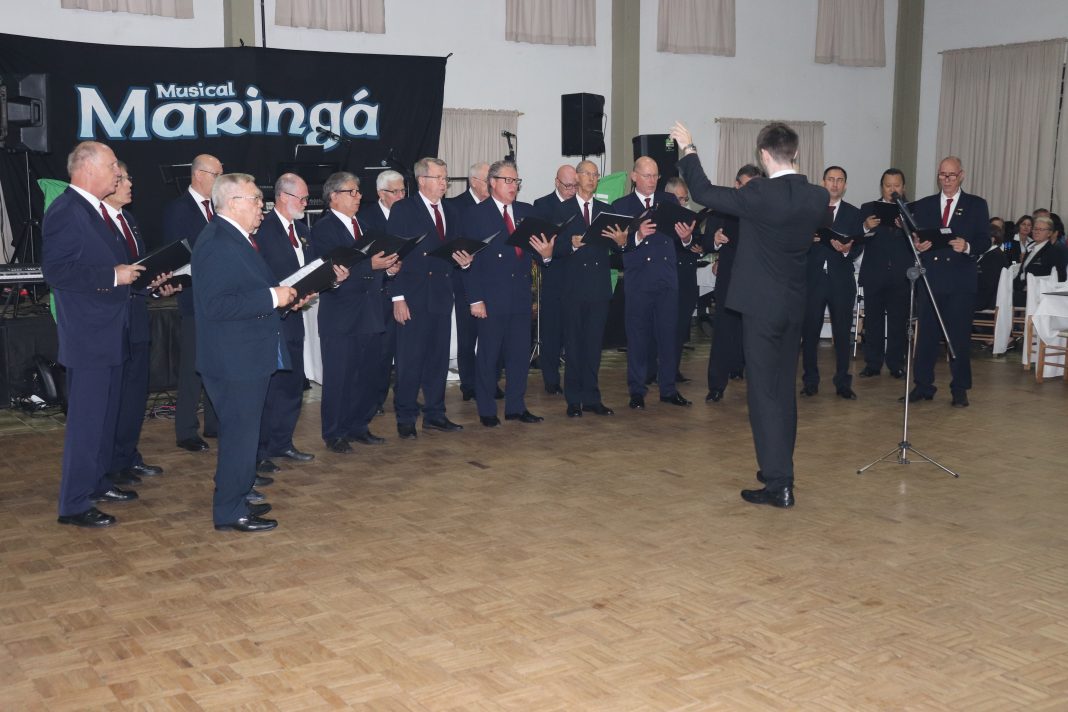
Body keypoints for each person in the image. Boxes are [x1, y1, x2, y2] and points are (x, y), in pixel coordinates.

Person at [672, 120, 829, 509]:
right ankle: (779, 465)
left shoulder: (759, 193)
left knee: (764, 394)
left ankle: (779, 483)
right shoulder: (817, 196)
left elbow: (704, 192)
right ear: (795, 152)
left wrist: (688, 149)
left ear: (763, 155)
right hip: (794, 305)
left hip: (761, 307)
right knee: (783, 390)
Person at [192, 173, 312, 532]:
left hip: (246, 355)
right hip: (233, 360)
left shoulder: (236, 238)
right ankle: (229, 511)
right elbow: (216, 305)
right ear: (233, 203)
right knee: (239, 437)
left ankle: (238, 498)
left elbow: (247, 292)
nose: (262, 205)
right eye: (256, 199)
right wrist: (273, 296)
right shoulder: (217, 241)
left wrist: (285, 300)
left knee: (244, 435)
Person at [43, 141, 144, 527]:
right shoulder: (67, 210)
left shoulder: (96, 210)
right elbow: (56, 271)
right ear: (86, 168)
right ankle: (73, 504)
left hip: (110, 331)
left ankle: (98, 482)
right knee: (86, 423)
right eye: (112, 166)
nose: (118, 173)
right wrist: (112, 276)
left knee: (104, 418)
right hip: (89, 337)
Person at [255, 173, 346, 474]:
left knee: (293, 384)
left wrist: (332, 279)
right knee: (270, 387)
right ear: (282, 196)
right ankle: (261, 450)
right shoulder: (263, 229)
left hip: (295, 316)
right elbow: (261, 274)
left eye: (307, 198)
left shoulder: (303, 230)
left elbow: (312, 270)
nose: (306, 204)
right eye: (302, 198)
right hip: (270, 317)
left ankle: (283, 442)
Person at [462, 160, 555, 426]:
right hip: (491, 297)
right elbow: (468, 262)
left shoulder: (526, 212)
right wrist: (475, 299)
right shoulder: (475, 214)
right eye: (508, 181)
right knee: (489, 356)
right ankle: (487, 410)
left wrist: (546, 255)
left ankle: (516, 406)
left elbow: (538, 252)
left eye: (516, 181)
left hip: (520, 295)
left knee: (518, 355)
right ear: (492, 182)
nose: (514, 186)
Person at [311, 172, 399, 451]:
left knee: (367, 374)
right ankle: (334, 432)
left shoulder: (365, 225)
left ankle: (359, 425)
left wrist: (389, 270)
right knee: (340, 377)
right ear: (334, 196)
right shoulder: (324, 229)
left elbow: (374, 267)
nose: (359, 196)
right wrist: (371, 266)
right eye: (352, 192)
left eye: (359, 191)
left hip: (370, 311)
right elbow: (331, 269)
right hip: (341, 314)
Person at [102, 162, 174, 488]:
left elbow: (138, 272)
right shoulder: (98, 223)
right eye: (124, 179)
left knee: (134, 395)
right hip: (112, 323)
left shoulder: (129, 220)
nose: (131, 184)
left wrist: (156, 286)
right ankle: (109, 465)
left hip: (137, 319)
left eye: (130, 178)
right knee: (113, 399)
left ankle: (127, 456)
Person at [387, 157, 470, 438]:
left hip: (441, 294)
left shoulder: (452, 210)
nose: (444, 183)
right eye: (439, 178)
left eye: (446, 178)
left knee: (438, 359)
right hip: (413, 295)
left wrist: (464, 261)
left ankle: (435, 413)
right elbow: (394, 254)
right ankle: (406, 416)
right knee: (410, 360)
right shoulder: (404, 209)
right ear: (422, 180)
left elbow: (454, 251)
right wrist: (397, 297)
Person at [611, 157, 695, 410]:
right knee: (637, 339)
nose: (652, 181)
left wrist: (686, 238)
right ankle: (637, 390)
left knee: (669, 337)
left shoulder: (668, 201)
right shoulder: (621, 206)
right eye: (647, 176)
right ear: (634, 176)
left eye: (655, 176)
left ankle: (668, 389)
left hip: (666, 279)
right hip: (639, 281)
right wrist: (637, 235)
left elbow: (682, 240)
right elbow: (617, 249)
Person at [908, 156, 989, 408]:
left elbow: (985, 240)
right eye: (942, 174)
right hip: (931, 278)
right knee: (926, 336)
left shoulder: (976, 204)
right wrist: (918, 245)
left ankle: (960, 388)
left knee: (959, 337)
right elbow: (917, 238)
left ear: (961, 175)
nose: (947, 180)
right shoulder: (925, 204)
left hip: (960, 281)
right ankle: (923, 385)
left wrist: (968, 246)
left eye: (952, 175)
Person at [163, 154, 222, 452]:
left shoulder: (219, 207)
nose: (220, 180)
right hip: (194, 298)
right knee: (192, 367)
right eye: (216, 175)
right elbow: (177, 253)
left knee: (216, 363)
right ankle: (186, 429)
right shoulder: (179, 209)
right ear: (199, 174)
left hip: (220, 298)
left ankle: (214, 422)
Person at [556, 159, 623, 417]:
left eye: (596, 175)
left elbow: (617, 247)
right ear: (577, 177)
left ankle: (592, 397)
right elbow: (552, 249)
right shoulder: (563, 210)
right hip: (572, 288)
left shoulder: (607, 210)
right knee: (573, 345)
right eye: (587, 174)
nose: (592, 179)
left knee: (594, 346)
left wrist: (621, 241)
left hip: (598, 288)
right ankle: (573, 399)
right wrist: (570, 245)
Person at [800, 166, 863, 399]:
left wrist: (847, 250)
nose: (835, 184)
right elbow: (794, 243)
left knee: (842, 333)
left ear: (845, 185)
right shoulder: (809, 210)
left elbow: (859, 245)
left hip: (841, 281)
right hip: (813, 279)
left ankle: (843, 382)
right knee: (810, 333)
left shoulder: (854, 213)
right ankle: (810, 381)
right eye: (830, 179)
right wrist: (808, 240)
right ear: (823, 182)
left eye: (839, 180)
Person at [704, 164, 762, 403]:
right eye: (746, 186)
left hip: (758, 282)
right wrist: (715, 240)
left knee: (756, 337)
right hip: (729, 280)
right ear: (736, 185)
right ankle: (716, 386)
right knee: (723, 333)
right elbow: (706, 242)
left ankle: (755, 385)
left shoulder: (766, 210)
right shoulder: (724, 208)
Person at [359, 169, 406, 413]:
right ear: (380, 193)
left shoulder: (410, 213)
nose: (400, 196)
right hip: (379, 292)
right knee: (382, 351)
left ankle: (405, 395)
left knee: (406, 349)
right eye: (394, 191)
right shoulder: (366, 219)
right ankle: (376, 399)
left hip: (408, 288)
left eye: (403, 191)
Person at [857, 169, 913, 379]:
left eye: (896, 185)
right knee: (873, 321)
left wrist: (906, 227)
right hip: (874, 273)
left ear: (903, 188)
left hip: (901, 275)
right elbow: (857, 238)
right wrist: (865, 226)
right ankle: (873, 363)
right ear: (882, 187)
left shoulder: (911, 210)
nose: (892, 189)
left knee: (898, 322)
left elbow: (918, 240)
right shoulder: (868, 208)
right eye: (888, 186)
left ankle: (896, 364)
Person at [531, 164, 579, 395]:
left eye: (575, 185)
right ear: (556, 182)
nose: (572, 190)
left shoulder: (580, 204)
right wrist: (569, 246)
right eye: (568, 185)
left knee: (575, 333)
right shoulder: (542, 206)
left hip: (577, 276)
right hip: (554, 275)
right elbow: (541, 246)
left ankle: (575, 377)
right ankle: (551, 380)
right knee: (551, 332)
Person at [445, 161, 490, 400]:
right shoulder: (455, 206)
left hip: (492, 279)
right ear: (474, 181)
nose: (492, 185)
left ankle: (489, 381)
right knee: (467, 336)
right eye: (488, 180)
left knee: (491, 335)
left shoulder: (497, 205)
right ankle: (469, 384)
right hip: (464, 278)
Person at [662, 176, 703, 384]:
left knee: (680, 328)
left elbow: (699, 243)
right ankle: (658, 370)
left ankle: (673, 369)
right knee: (663, 328)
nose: (683, 202)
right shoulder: (660, 216)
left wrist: (695, 243)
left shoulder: (690, 217)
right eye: (679, 198)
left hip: (686, 279)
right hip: (666, 279)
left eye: (685, 198)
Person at [1013, 215, 1067, 306]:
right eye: (1035, 229)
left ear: (1049, 233)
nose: (1037, 232)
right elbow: (1022, 272)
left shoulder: (1053, 251)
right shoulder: (1030, 248)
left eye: (1041, 229)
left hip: (1040, 297)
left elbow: (1060, 277)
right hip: (1022, 292)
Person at [976, 223, 1008, 312]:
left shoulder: (995, 256)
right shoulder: (989, 254)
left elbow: (989, 284)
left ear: (992, 239)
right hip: (983, 297)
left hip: (987, 302)